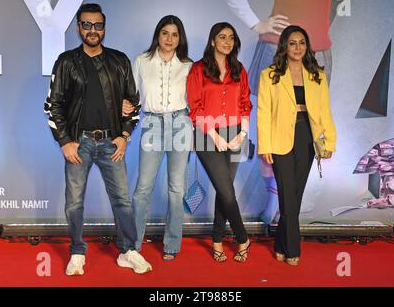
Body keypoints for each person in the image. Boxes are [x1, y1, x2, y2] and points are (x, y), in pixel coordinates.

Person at [220, 0, 360, 225]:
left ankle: (286, 205)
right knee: (272, 121)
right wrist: (255, 23)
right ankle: (274, 201)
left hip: (318, 50)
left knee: (309, 121)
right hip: (277, 47)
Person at [44, 3, 152, 275]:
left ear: (104, 28)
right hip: (79, 143)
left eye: (98, 25)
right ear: (79, 27)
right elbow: (52, 104)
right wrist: (65, 141)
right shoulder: (66, 61)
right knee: (74, 202)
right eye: (87, 25)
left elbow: (134, 103)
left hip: (111, 142)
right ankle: (77, 252)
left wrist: (125, 135)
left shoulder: (119, 60)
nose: (93, 30)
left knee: (122, 201)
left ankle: (128, 251)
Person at [257, 25, 337, 266]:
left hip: (307, 136)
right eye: (292, 43)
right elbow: (263, 112)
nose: (298, 47)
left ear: (307, 46)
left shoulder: (317, 75)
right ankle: (292, 248)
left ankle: (280, 243)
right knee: (287, 194)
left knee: (295, 195)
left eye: (302, 42)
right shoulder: (269, 75)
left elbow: (324, 111)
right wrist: (265, 145)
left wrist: (330, 140)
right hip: (279, 137)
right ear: (284, 46)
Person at [122, 15, 193, 261]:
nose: (170, 39)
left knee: (176, 188)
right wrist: (127, 106)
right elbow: (132, 95)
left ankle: (172, 245)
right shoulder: (142, 61)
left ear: (179, 38)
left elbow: (196, 99)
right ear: (158, 35)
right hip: (151, 123)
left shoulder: (188, 64)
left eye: (175, 34)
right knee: (143, 188)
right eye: (165, 33)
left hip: (181, 124)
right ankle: (134, 244)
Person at [187, 22, 252, 263]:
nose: (227, 41)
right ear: (212, 41)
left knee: (226, 191)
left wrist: (242, 135)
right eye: (221, 37)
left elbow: (245, 103)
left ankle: (217, 239)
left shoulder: (239, 69)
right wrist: (214, 136)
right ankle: (243, 237)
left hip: (236, 133)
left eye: (231, 38)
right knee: (226, 190)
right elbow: (195, 107)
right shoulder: (198, 69)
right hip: (206, 135)